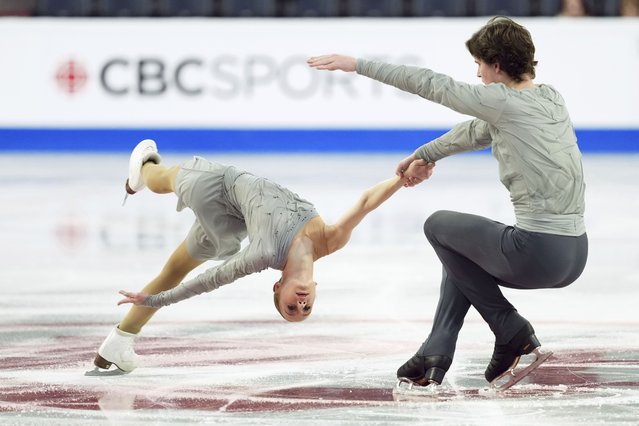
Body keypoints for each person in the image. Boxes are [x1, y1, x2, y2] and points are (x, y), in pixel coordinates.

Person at [308, 16, 588, 390]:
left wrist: (358, 65)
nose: (477, 74)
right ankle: (436, 351)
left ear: (497, 65)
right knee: (461, 252)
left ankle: (511, 329)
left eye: (479, 65)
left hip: (537, 253)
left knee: (438, 225)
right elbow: (477, 131)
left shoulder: (501, 101)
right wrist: (425, 154)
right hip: (574, 255)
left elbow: (431, 85)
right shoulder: (550, 97)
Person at [92, 139, 435, 373]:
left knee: (173, 231)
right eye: (307, 307)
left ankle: (144, 171)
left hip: (218, 190)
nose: (300, 303)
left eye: (291, 308)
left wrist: (156, 299)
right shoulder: (330, 241)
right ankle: (119, 343)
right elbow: (364, 203)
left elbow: (210, 281)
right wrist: (402, 180)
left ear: (277, 287)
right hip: (234, 214)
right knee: (175, 244)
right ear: (315, 292)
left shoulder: (262, 254)